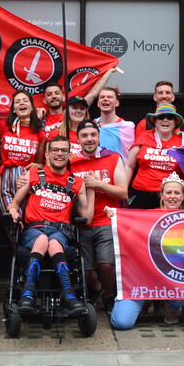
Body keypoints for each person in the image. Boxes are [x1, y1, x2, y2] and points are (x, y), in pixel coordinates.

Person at [9, 136, 93, 316]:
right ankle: (28, 291)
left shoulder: (76, 183)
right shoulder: (33, 175)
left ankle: (68, 294)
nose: (60, 154)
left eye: (64, 150)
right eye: (55, 150)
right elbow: (14, 203)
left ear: (70, 155)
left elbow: (86, 216)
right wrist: (14, 212)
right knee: (41, 239)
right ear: (47, 153)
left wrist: (91, 189)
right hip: (34, 229)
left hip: (60, 231)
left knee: (53, 243)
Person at [109, 173, 184, 329]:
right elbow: (127, 238)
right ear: (161, 195)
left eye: (177, 193)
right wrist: (117, 220)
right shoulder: (147, 216)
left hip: (174, 278)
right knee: (121, 322)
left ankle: (166, 301)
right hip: (142, 279)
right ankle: (152, 299)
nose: (173, 197)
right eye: (168, 192)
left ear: (183, 196)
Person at [70, 120, 128, 314]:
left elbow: (123, 193)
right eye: (84, 136)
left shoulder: (113, 158)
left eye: (93, 135)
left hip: (106, 220)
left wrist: (98, 184)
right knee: (84, 270)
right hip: (81, 222)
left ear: (98, 137)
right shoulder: (71, 162)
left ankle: (108, 296)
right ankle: (96, 288)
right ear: (78, 139)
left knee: (106, 264)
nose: (89, 139)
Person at [126, 104, 184, 209]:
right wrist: (123, 191)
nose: (165, 120)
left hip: (172, 197)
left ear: (175, 122)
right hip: (142, 194)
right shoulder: (144, 136)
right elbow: (130, 165)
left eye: (170, 117)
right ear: (155, 121)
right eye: (161, 117)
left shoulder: (183, 141)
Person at [0, 90, 46, 216]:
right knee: (9, 217)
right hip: (5, 178)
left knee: (24, 218)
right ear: (13, 109)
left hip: (26, 179)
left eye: (25, 100)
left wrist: (38, 166)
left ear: (31, 107)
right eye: (17, 102)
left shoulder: (40, 133)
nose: (21, 103)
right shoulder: (4, 126)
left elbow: (40, 163)